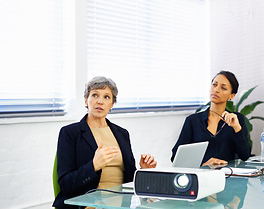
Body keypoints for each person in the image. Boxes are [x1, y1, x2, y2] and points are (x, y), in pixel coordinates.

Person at [53, 76, 157, 209]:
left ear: (112, 104)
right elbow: (66, 184)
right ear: (86, 100)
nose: (100, 101)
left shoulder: (122, 133)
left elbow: (129, 179)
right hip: (87, 205)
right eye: (95, 95)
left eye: (107, 97)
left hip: (122, 204)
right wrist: (94, 165)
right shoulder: (70, 133)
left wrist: (144, 172)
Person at [171, 71, 251, 166]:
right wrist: (204, 164)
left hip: (227, 176)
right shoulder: (193, 121)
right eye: (214, 85)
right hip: (200, 177)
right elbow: (175, 157)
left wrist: (237, 128)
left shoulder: (237, 119)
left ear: (231, 96)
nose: (216, 90)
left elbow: (245, 156)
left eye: (223, 88)